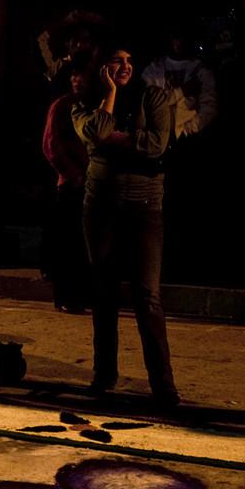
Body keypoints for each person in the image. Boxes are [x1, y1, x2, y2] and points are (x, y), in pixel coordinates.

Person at [73, 43, 181, 407]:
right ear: (101, 67)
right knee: (103, 294)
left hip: (144, 204)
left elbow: (156, 145)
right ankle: (104, 376)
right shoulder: (85, 101)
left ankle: (163, 386)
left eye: (130, 60)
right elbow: (94, 130)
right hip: (101, 206)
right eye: (116, 61)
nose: (124, 66)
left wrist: (114, 140)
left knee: (147, 297)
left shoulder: (153, 96)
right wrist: (111, 95)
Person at [40, 63, 95, 313]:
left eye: (82, 74)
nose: (78, 79)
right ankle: (67, 296)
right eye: (74, 75)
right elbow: (51, 145)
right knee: (69, 242)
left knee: (85, 243)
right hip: (72, 182)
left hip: (94, 182)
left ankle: (83, 295)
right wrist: (72, 173)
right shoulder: (62, 106)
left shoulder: (95, 105)